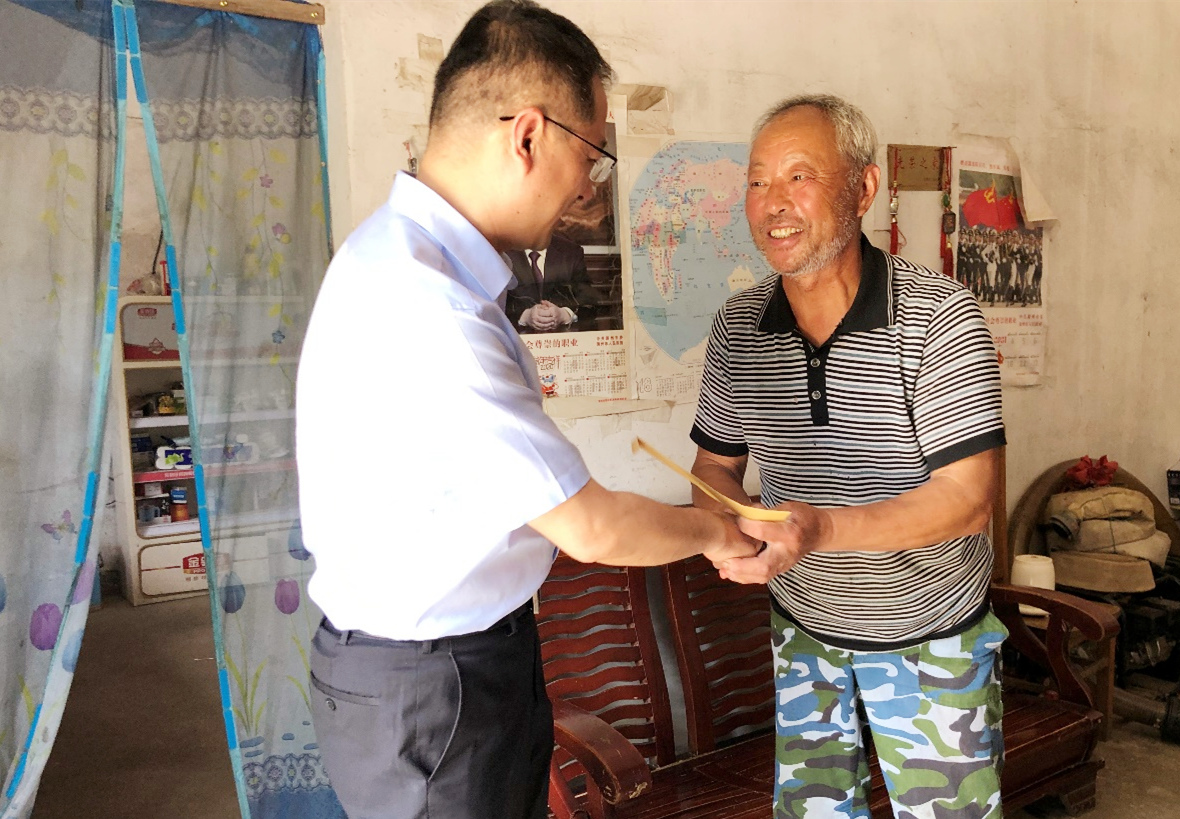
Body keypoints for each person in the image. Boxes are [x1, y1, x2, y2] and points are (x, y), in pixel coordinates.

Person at [294, 4, 756, 818]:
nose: (586, 186)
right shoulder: (431, 305)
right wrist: (719, 531)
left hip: (443, 670)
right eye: (592, 155)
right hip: (434, 688)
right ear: (530, 136)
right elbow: (592, 528)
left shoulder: (398, 257)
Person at [689, 95, 1008, 819]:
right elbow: (714, 466)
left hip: (931, 643)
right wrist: (721, 527)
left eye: (799, 176)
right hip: (804, 636)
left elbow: (968, 499)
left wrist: (820, 528)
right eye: (758, 180)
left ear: (863, 189)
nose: (773, 202)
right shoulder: (739, 327)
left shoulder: (938, 316)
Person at [504, 232, 599, 332]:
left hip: (563, 336)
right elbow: (495, 304)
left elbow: (589, 302)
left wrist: (564, 314)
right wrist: (525, 316)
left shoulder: (571, 251)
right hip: (514, 336)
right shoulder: (502, 250)